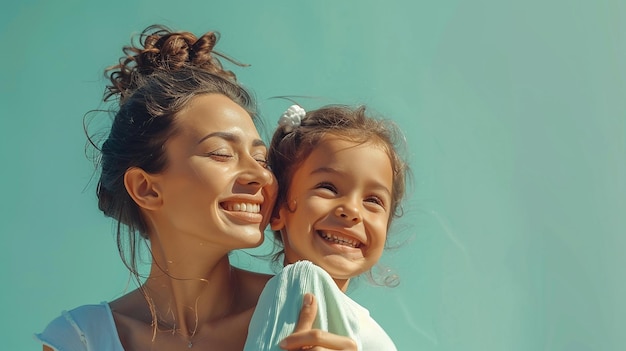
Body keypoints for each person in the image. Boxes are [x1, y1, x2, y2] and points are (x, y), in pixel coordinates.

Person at [35, 25, 357, 351]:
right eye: (221, 154)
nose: (260, 176)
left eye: (261, 159)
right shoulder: (79, 339)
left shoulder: (306, 308)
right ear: (146, 188)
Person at [244, 104, 409, 350]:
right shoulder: (297, 285)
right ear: (278, 208)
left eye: (373, 201)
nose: (352, 211)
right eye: (328, 188)